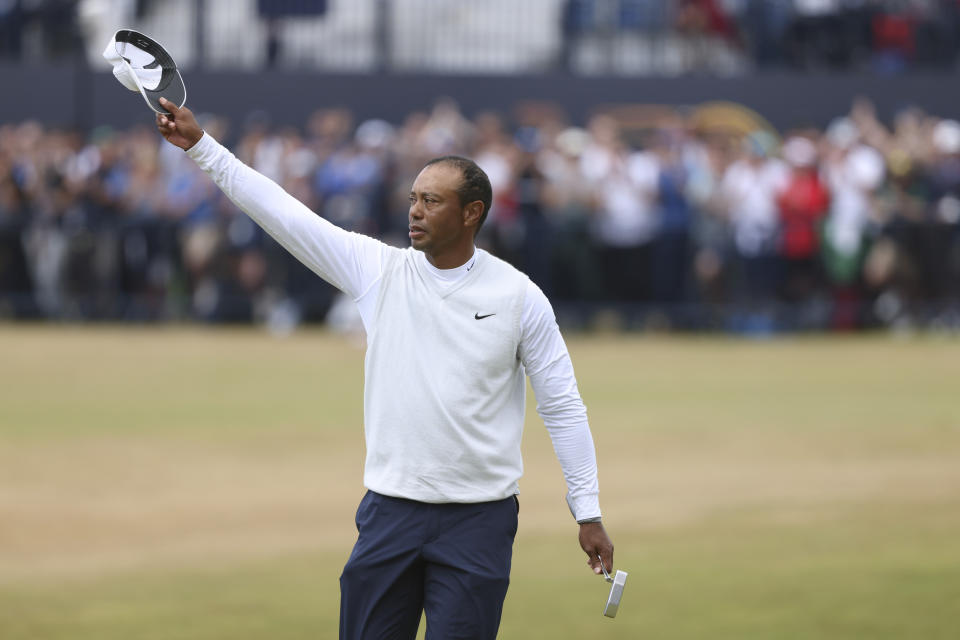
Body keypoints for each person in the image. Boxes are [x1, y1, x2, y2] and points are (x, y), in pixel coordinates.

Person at [155, 97, 614, 639]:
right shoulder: (380, 270)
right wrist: (202, 147)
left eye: (432, 201)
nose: (415, 211)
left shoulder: (519, 296)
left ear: (472, 213)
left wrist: (586, 509)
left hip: (480, 520)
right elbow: (283, 213)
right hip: (389, 514)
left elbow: (561, 404)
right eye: (414, 198)